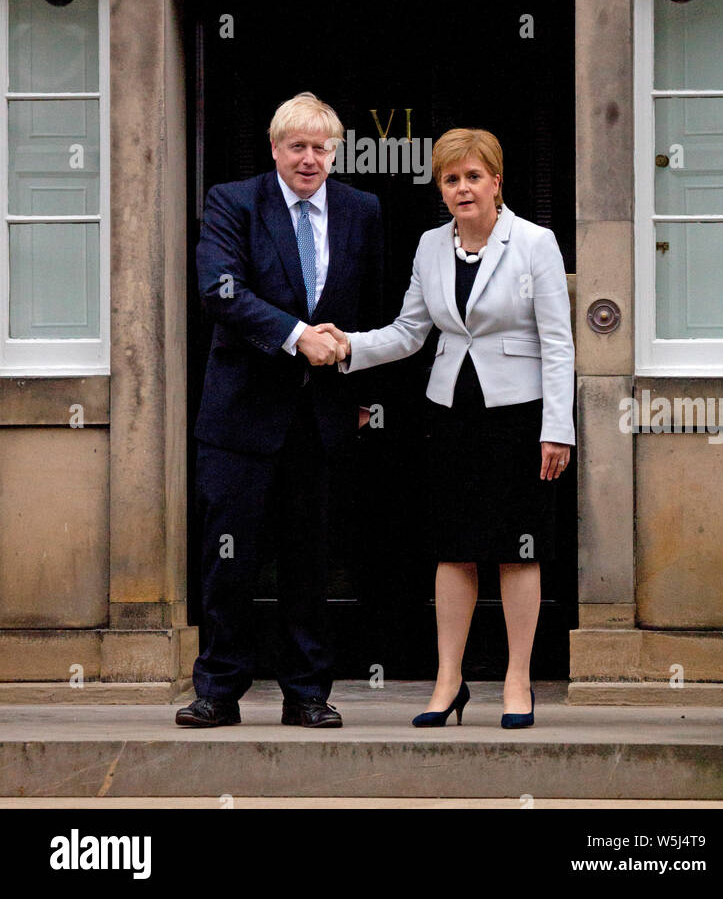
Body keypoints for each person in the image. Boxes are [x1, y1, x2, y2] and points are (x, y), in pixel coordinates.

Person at [318, 127, 574, 729]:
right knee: (453, 549)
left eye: (473, 177)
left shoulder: (535, 243)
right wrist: (348, 345)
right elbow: (410, 332)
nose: (463, 188)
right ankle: (448, 681)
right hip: (449, 414)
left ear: (496, 182)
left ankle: (517, 680)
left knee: (517, 550)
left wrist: (557, 428)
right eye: (451, 179)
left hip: (520, 415)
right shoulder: (431, 245)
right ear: (440, 188)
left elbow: (558, 343)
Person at [176, 92, 382, 728]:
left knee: (309, 562)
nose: (309, 159)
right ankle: (218, 690)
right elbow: (220, 290)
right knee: (228, 560)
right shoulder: (233, 202)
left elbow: (372, 304)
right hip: (240, 418)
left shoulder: (362, 210)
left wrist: (365, 397)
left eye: (321, 148)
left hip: (321, 419)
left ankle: (308, 693)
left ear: (335, 152)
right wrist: (298, 336)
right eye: (297, 147)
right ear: (275, 149)